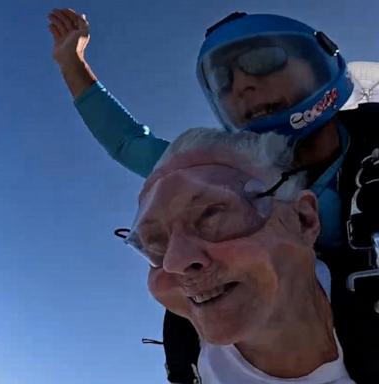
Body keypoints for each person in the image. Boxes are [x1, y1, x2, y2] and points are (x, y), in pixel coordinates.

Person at [49, 9, 379, 383]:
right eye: (223, 80)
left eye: (261, 60)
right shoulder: (226, 172)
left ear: (318, 59)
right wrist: (71, 62)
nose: (241, 86)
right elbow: (129, 143)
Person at [122, 127, 354, 383]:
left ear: (303, 220)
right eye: (155, 244)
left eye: (210, 215)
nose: (175, 262)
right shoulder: (185, 356)